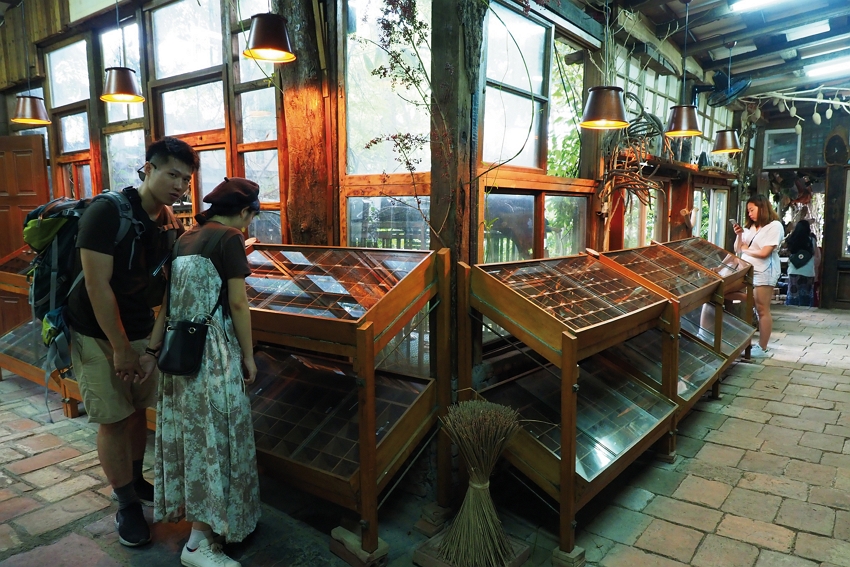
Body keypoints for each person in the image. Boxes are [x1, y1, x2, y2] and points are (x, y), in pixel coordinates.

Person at [67, 137, 198, 547]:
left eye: (186, 178)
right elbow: (95, 284)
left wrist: (148, 344)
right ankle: (125, 505)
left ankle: (137, 481)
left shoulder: (168, 218)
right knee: (113, 415)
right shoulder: (106, 212)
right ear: (149, 169)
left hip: (141, 327)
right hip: (95, 330)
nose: (179, 185)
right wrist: (121, 348)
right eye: (172, 174)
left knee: (137, 408)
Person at [147, 178, 261, 567]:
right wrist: (248, 356)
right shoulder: (230, 238)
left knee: (194, 441)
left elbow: (167, 303)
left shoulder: (185, 238)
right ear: (245, 212)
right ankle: (199, 542)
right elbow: (239, 304)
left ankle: (206, 524)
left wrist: (152, 348)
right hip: (213, 354)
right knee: (219, 439)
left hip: (181, 355)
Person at [728, 194, 784, 358]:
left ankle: (763, 347)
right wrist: (739, 235)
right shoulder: (750, 228)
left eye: (752, 210)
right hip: (746, 270)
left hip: (764, 271)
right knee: (739, 297)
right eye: (748, 211)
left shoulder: (774, 226)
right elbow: (737, 249)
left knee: (762, 309)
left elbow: (764, 253)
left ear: (763, 208)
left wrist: (745, 249)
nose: (750, 213)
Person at [785, 219, 820, 307]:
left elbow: (788, 254)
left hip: (794, 271)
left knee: (793, 295)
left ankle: (792, 312)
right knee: (806, 296)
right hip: (808, 272)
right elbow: (816, 256)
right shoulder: (811, 240)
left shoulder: (791, 240)